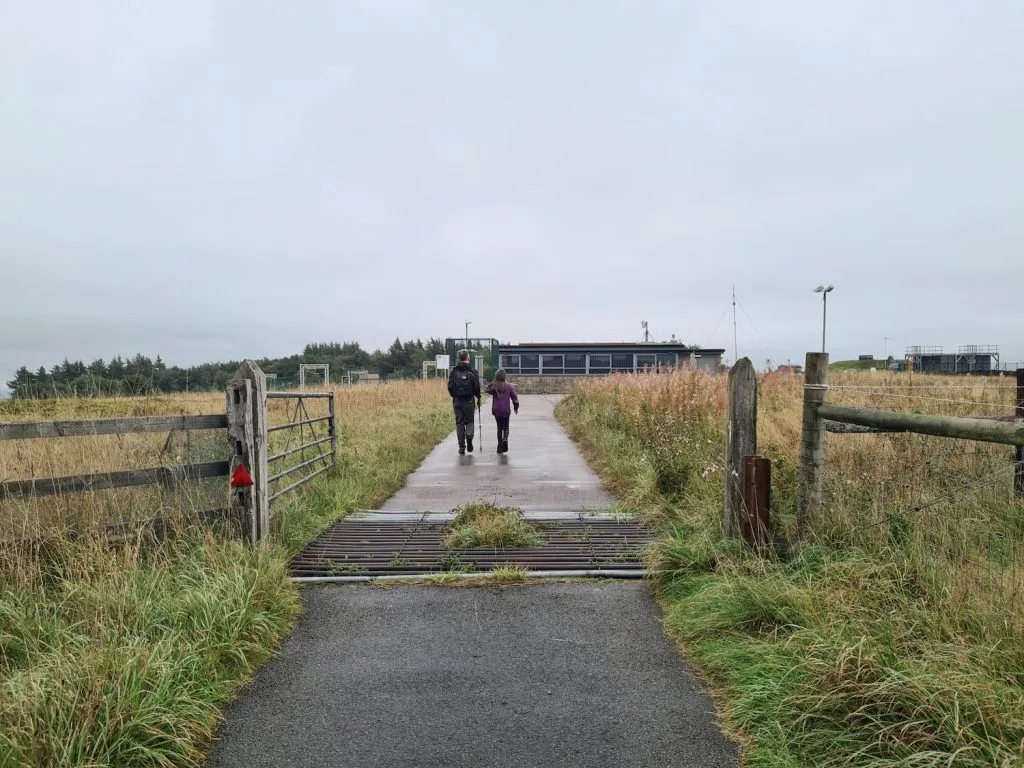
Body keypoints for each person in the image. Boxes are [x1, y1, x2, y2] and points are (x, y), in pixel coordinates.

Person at [447, 350, 481, 455]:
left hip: (457, 401)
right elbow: (476, 387)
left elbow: (450, 386)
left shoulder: (454, 371)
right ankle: (469, 436)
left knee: (459, 423)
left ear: (459, 358)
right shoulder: (473, 371)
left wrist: (455, 396)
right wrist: (478, 397)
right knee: (470, 421)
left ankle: (461, 447)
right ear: (467, 358)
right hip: (469, 400)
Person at [485, 369, 519, 454]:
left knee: (499, 428)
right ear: (505, 377)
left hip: (497, 411)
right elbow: (515, 398)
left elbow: (486, 389)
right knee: (506, 427)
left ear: (496, 377)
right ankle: (505, 439)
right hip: (505, 410)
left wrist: (493, 382)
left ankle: (499, 447)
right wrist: (516, 407)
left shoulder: (494, 387)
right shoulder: (508, 386)